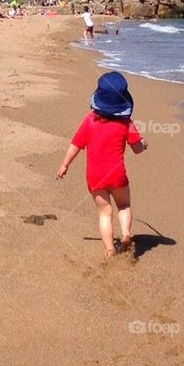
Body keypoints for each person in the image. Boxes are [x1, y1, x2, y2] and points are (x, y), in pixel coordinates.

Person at [57, 71, 147, 258]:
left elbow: (76, 144)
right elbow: (137, 148)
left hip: (95, 176)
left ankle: (109, 249)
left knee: (104, 214)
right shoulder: (126, 123)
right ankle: (126, 234)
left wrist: (65, 165)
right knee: (123, 205)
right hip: (117, 174)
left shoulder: (90, 120)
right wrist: (144, 144)